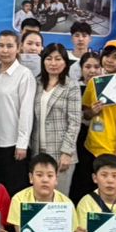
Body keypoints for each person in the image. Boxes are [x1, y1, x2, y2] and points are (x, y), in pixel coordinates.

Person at [0, 30, 37, 192]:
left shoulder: (24, 75)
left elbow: (26, 112)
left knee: (11, 190)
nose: (5, 50)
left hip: (12, 144)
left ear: (18, 48)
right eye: (1, 45)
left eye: (9, 46)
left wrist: (22, 143)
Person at [30, 44, 81, 194]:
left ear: (65, 62)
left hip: (61, 153)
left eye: (58, 59)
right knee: (39, 196)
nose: (53, 63)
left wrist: (67, 152)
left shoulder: (72, 86)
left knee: (59, 198)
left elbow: (75, 122)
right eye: (49, 58)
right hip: (38, 150)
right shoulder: (36, 83)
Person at [84, 42, 116, 193]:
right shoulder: (94, 82)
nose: (110, 60)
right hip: (91, 147)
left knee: (109, 192)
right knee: (90, 192)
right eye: (107, 55)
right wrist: (92, 111)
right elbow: (85, 113)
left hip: (112, 149)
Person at [69, 50, 104, 204]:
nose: (92, 71)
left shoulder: (107, 88)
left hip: (102, 140)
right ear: (81, 69)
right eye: (88, 67)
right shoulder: (74, 87)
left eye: (96, 67)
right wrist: (90, 112)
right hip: (80, 138)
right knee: (81, 178)